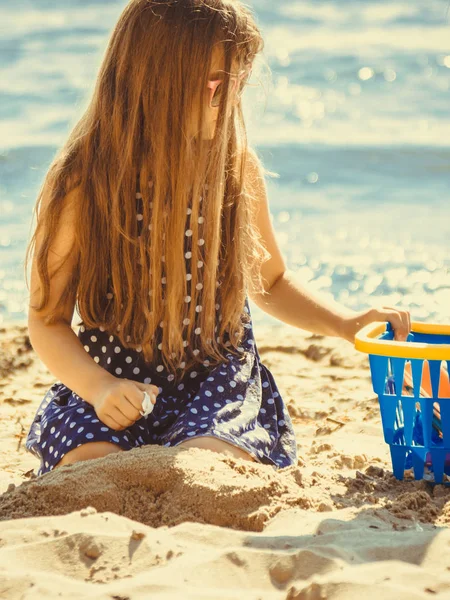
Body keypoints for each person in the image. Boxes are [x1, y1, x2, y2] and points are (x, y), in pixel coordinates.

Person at [24, 0, 411, 477]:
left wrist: (346, 323)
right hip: (112, 378)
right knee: (94, 468)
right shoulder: (84, 183)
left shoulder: (233, 169)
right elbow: (47, 321)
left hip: (215, 379)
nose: (231, 100)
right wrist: (99, 386)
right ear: (155, 79)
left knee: (207, 467)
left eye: (239, 84)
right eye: (217, 84)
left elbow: (270, 281)